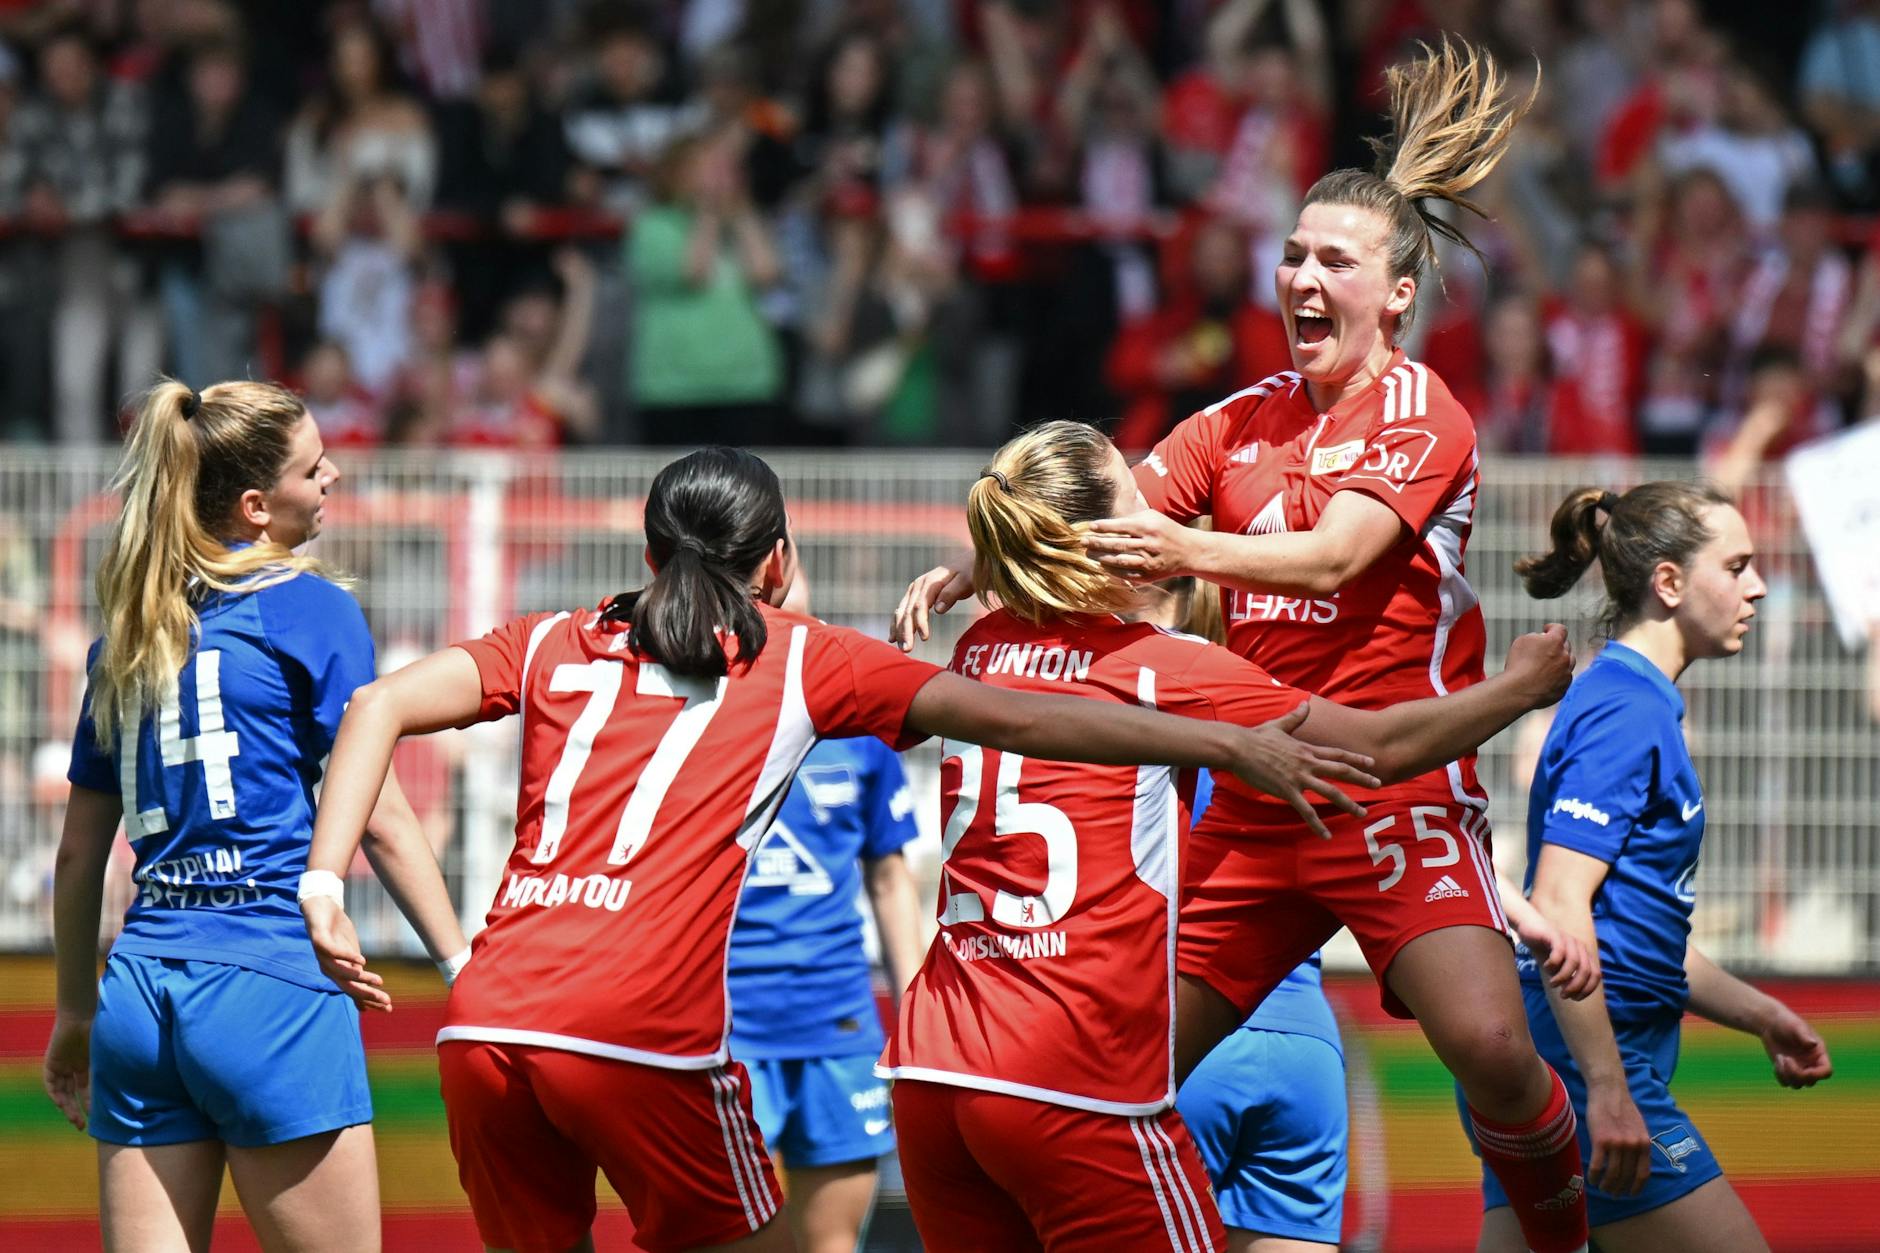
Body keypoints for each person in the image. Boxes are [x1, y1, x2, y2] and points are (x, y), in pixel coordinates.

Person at [296, 446, 1377, 1253]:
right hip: (639, 1033)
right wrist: (1220, 741)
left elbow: (376, 704)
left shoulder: (543, 639)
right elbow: (1025, 715)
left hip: (483, 1022)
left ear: (648, 554)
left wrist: (323, 879)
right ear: (778, 560)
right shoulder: (801, 659)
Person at [894, 39, 1595, 1253]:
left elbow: (1332, 557)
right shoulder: (1234, 420)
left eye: (1334, 261)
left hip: (1391, 783)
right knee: (1117, 1070)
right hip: (1258, 789)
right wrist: (985, 559)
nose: (1301, 279)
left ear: (1396, 295)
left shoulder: (1422, 412)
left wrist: (1183, 550)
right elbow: (1104, 507)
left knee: (1489, 1043)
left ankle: (1562, 1233)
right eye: (1292, 254)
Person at [880, 422, 1578, 1253]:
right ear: (1104, 543)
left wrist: (990, 564)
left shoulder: (977, 650)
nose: (1159, 521)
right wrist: (1520, 687)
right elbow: (1379, 750)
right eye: (1139, 502)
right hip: (1073, 1075)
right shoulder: (1166, 667)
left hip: (933, 1066)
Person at [41, 379, 466, 1252]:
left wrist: (76, 1012)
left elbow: (79, 856)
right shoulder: (312, 608)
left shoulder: (127, 634)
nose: (332, 476)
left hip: (141, 994)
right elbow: (379, 816)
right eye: (313, 468)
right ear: (255, 507)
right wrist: (464, 968)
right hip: (270, 980)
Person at [1467, 483, 1833, 1253]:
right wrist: (1606, 1087)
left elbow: (1635, 932)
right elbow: (1559, 903)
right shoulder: (1626, 709)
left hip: (1558, 1057)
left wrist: (1761, 1014)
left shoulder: (1637, 701)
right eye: (1736, 565)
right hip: (1585, 1066)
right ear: (1668, 582)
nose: (1758, 586)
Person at [724, 569, 925, 1253]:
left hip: (836, 1024)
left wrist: (918, 1025)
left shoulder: (856, 718)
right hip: (720, 1030)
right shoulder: (691, 709)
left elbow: (891, 881)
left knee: (832, 1242)